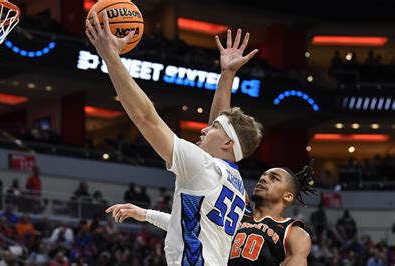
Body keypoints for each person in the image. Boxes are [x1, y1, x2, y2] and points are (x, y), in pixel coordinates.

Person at [87, 13, 262, 265]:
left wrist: (111, 57)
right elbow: (187, 223)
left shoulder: (204, 167)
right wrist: (227, 75)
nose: (203, 130)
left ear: (227, 143)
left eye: (212, 128)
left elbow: (146, 118)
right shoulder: (236, 186)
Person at [109, 162, 317, 266]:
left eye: (274, 178)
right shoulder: (236, 211)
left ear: (288, 196)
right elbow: (190, 226)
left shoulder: (293, 232)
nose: (263, 179)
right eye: (263, 176)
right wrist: (145, 214)